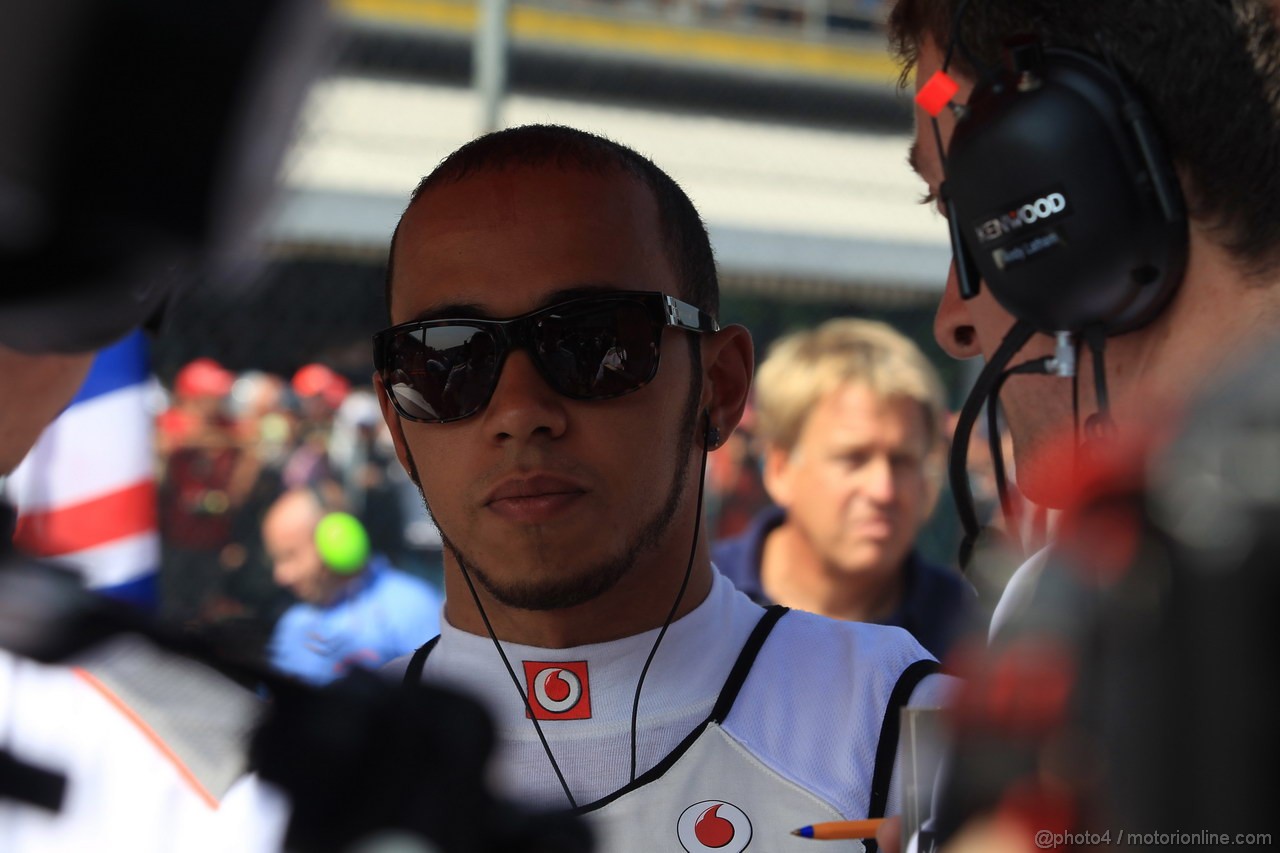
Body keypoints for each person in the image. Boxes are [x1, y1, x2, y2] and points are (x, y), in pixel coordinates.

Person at [375, 122, 956, 851]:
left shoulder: (904, 731)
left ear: (719, 385)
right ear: (396, 421)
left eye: (593, 344)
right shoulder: (288, 785)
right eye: (445, 360)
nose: (520, 411)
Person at [875, 1, 1280, 849]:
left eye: (968, 215)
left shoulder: (1151, 599)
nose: (955, 316)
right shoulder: (1113, 573)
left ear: (1062, 213)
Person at [712, 318, 974, 660]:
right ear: (779, 469)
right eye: (853, 459)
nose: (883, 490)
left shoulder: (970, 635)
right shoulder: (694, 603)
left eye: (902, 461)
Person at [262, 486, 443, 684]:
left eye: (289, 557)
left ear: (337, 539)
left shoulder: (412, 608)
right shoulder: (292, 623)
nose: (280, 575)